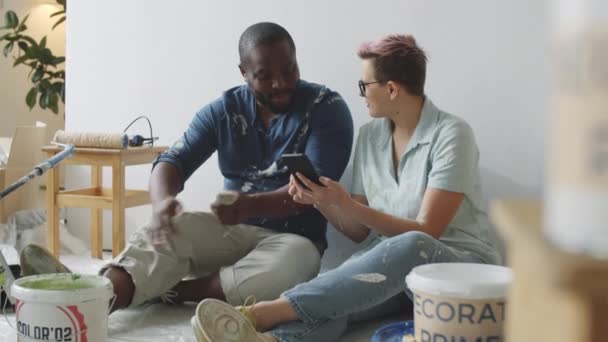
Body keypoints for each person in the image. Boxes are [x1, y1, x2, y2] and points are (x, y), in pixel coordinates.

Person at [190, 34, 502, 342]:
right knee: (334, 299)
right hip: (394, 272)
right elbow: (358, 232)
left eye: (364, 85)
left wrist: (347, 203)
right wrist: (323, 200)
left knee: (412, 243)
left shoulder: (451, 134)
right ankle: (270, 341)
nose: (361, 94)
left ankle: (260, 313)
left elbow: (428, 231)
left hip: (458, 270)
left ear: (391, 89)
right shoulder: (370, 137)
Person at [99, 22, 354, 311]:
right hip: (229, 233)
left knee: (293, 266)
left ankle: (175, 291)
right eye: (264, 76)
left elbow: (314, 190)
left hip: (294, 240)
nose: (280, 83)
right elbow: (172, 161)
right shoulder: (223, 109)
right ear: (244, 73)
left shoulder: (325, 106)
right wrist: (161, 203)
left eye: (289, 70)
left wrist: (250, 205)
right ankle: (91, 299)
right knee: (159, 234)